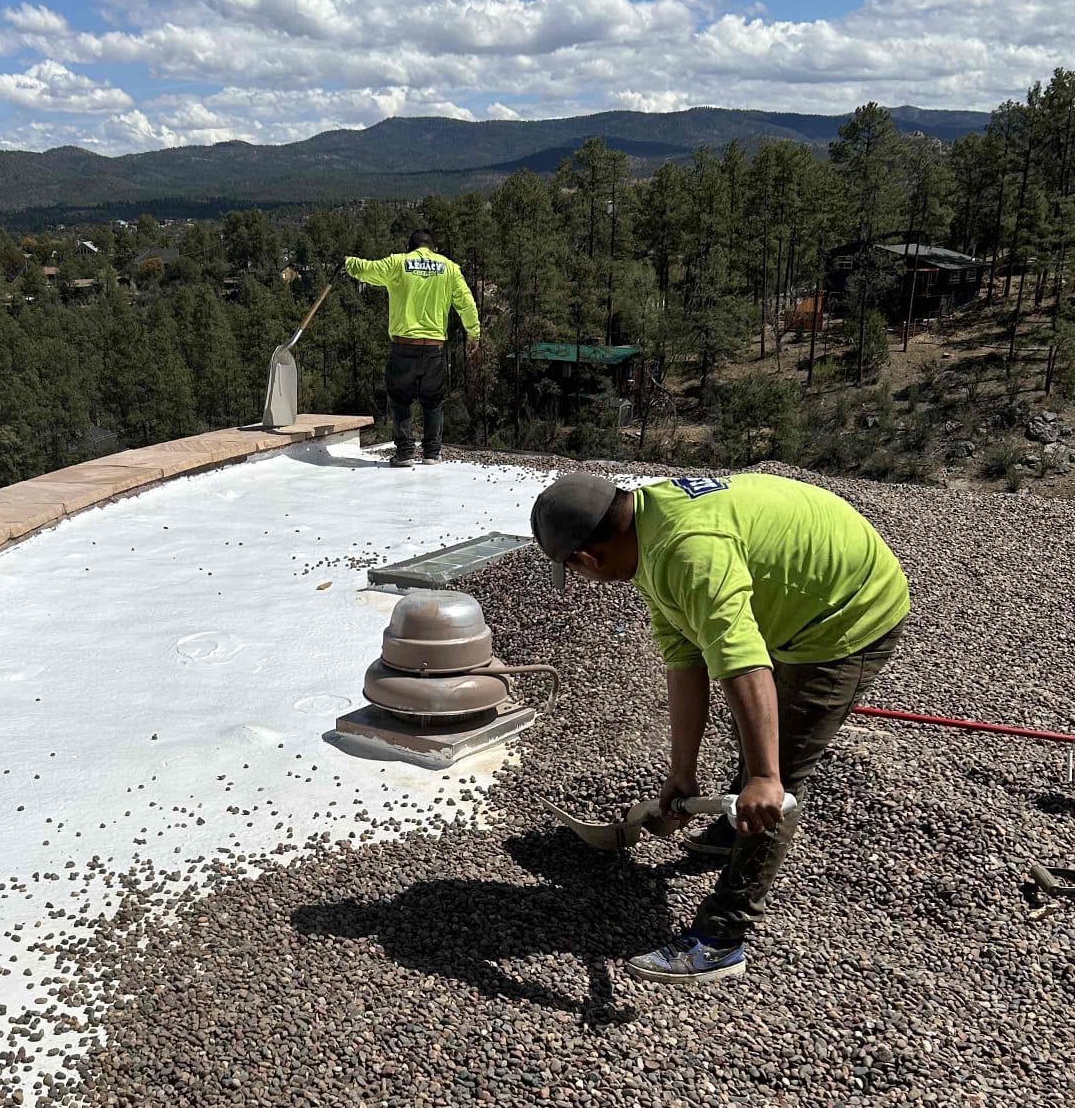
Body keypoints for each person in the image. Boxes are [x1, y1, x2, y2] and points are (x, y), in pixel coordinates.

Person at [529, 469, 910, 986]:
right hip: (798, 591)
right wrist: (681, 773)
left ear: (589, 559)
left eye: (574, 572)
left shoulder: (688, 554)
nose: (583, 580)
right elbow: (686, 656)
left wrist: (764, 778)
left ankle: (722, 938)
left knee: (779, 769)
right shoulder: (644, 529)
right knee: (756, 725)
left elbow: (741, 662)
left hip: (847, 611)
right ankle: (725, 831)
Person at [343, 230, 481, 465]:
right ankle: (431, 453)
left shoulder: (399, 263)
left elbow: (368, 269)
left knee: (400, 399)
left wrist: (348, 263)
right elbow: (466, 303)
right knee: (433, 400)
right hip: (435, 348)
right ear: (433, 248)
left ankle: (405, 453)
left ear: (410, 248)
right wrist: (473, 334)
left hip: (404, 346)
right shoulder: (449, 268)